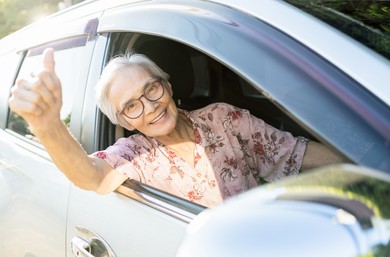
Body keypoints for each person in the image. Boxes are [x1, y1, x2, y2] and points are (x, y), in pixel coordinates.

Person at [9, 48, 345, 207]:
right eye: (131, 106)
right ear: (125, 122)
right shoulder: (135, 154)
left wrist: (374, 158)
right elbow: (90, 175)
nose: (150, 106)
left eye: (151, 89)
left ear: (167, 85)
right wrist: (47, 123)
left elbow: (295, 152)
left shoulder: (223, 117)